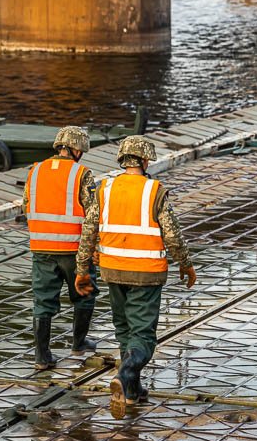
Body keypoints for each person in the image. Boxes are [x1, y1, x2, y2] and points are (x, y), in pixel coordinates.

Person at [75, 136, 195, 420]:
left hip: (112, 271)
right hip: (147, 273)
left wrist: (82, 269)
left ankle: (132, 391)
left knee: (125, 330)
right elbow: (173, 234)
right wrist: (186, 264)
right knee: (143, 335)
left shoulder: (104, 188)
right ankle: (125, 373)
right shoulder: (154, 190)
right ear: (144, 161)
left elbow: (88, 230)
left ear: (121, 159)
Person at [23, 126, 99, 369]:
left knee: (42, 300)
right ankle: (79, 342)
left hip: (41, 247)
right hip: (73, 248)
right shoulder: (81, 174)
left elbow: (26, 204)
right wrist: (92, 249)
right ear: (76, 149)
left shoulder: (35, 170)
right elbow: (92, 215)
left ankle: (41, 356)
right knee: (84, 293)